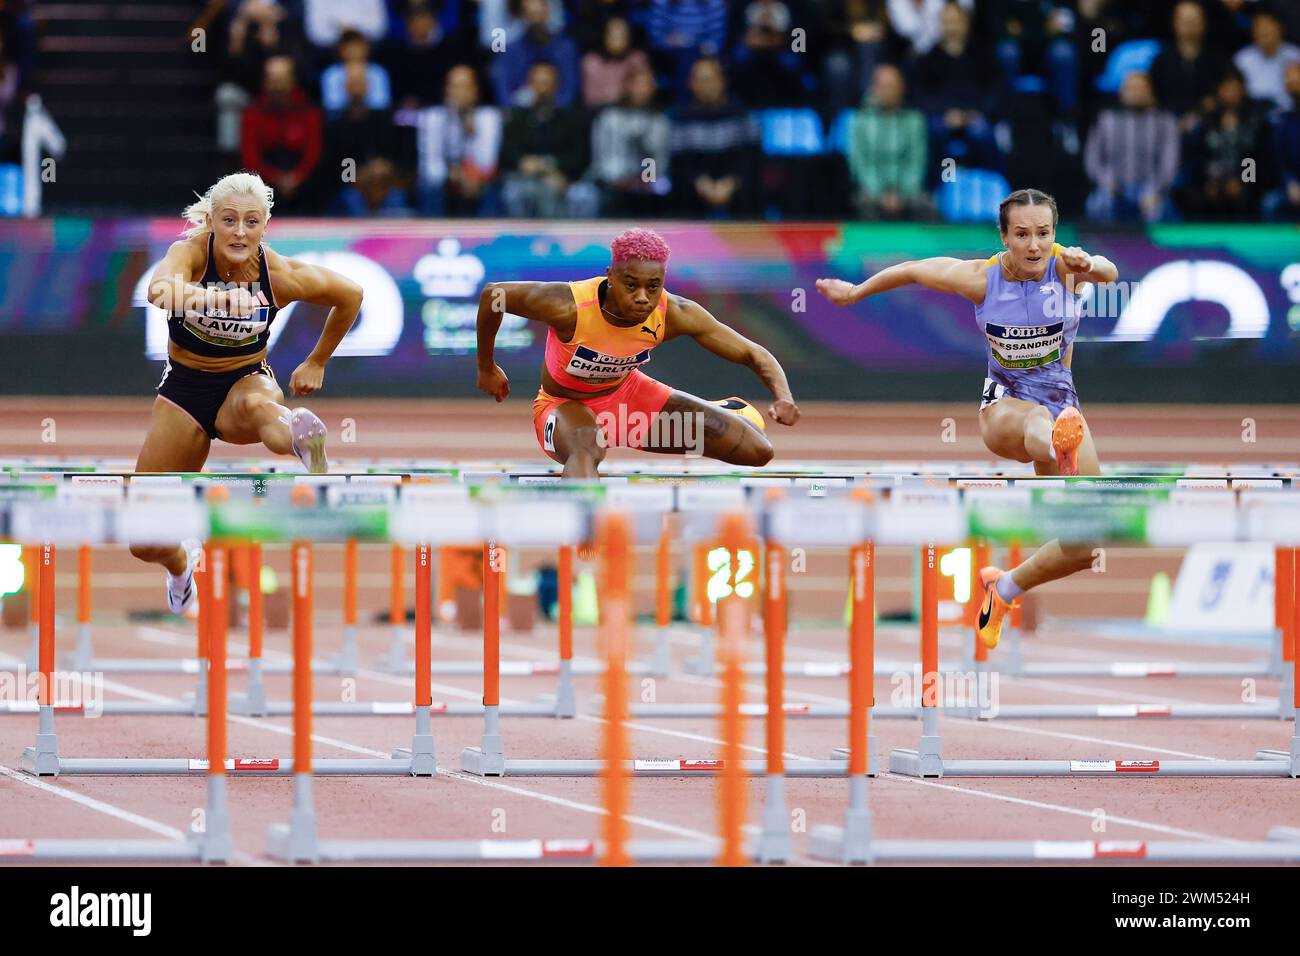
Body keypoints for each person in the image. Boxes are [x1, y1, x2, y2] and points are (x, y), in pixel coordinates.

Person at [816, 188, 1120, 649]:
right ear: (1004, 237)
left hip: (1064, 401)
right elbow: (915, 269)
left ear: (1054, 235)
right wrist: (856, 292)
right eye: (1022, 235)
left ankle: (1004, 589)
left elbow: (1110, 271)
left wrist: (1089, 264)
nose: (1034, 245)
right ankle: (1061, 449)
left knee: (1084, 546)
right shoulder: (981, 279)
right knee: (1040, 420)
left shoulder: (1065, 267)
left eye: (1043, 233)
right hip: (1006, 406)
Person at [136, 172, 363, 612]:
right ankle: (181, 563)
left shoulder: (276, 273)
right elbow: (159, 290)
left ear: (265, 225)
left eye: (252, 222)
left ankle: (301, 436)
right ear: (212, 222)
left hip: (245, 379)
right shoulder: (190, 254)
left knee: (262, 406)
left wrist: (316, 360)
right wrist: (215, 301)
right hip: (184, 389)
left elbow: (350, 295)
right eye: (230, 220)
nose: (240, 232)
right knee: (143, 541)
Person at [475, 228, 799, 478]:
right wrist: (487, 366)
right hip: (563, 408)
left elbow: (752, 353)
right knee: (586, 446)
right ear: (611, 276)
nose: (643, 297)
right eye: (631, 285)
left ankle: (726, 411)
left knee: (756, 450)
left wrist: (783, 396)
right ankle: (587, 556)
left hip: (629, 404)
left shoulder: (674, 312)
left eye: (653, 286)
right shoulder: (568, 305)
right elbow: (494, 296)